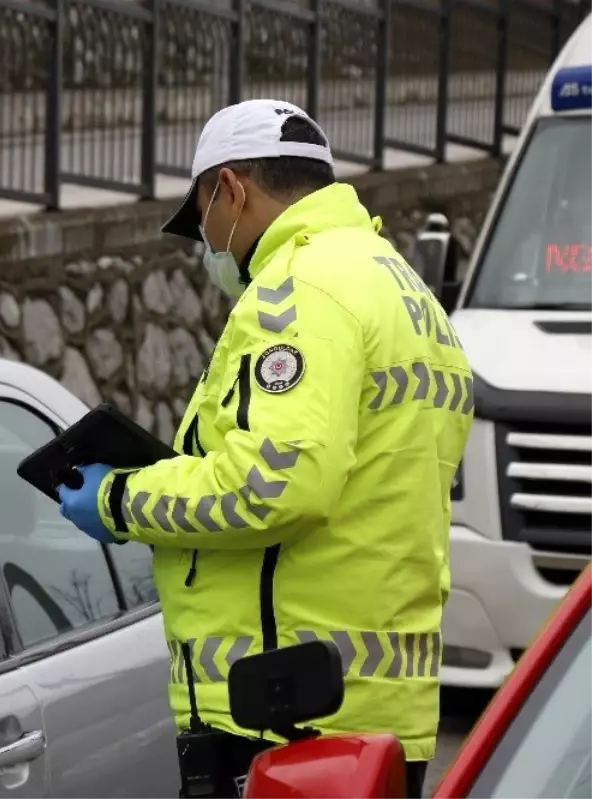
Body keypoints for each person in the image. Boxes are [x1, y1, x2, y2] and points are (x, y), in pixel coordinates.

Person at [58, 99, 472, 799]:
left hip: (283, 712)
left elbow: (276, 482)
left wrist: (119, 496)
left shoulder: (300, 289)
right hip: (379, 709)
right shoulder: (405, 289)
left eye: (201, 220)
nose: (207, 243)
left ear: (231, 188)